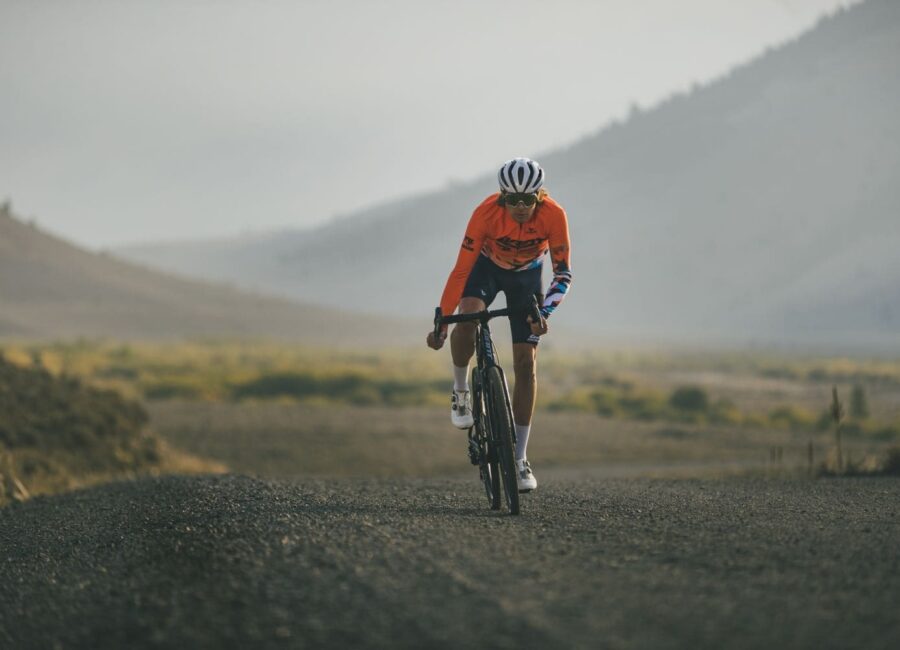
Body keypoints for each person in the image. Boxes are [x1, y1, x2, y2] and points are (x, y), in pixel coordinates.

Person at [426, 157, 573, 492]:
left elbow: (563, 274)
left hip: (527, 280)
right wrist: (442, 321)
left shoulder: (554, 215)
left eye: (528, 201)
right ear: (502, 197)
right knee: (468, 317)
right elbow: (461, 271)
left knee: (526, 363)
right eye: (513, 201)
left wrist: (543, 314)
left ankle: (520, 459)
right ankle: (461, 390)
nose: (521, 208)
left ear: (540, 197)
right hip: (487, 270)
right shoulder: (484, 213)